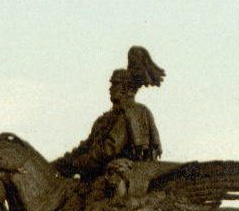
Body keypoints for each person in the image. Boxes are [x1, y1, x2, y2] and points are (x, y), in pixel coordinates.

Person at [54, 46, 167, 181]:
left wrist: (76, 163)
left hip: (113, 181)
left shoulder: (129, 114)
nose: (110, 88)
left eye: (115, 84)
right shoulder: (105, 119)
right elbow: (86, 146)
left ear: (125, 88)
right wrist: (61, 163)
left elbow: (108, 150)